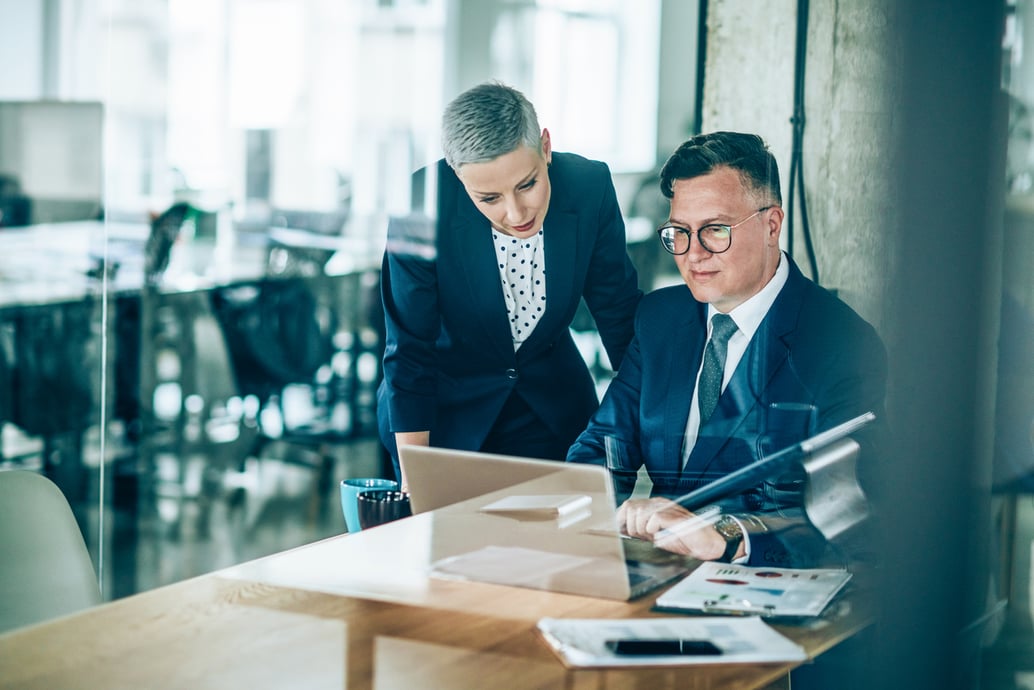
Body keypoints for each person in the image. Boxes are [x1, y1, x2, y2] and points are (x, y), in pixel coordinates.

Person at [567, 131, 887, 569]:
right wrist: (581, 507)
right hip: (665, 575)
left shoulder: (842, 345)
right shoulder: (660, 319)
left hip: (771, 584)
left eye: (715, 230)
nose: (693, 254)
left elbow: (849, 514)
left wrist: (727, 536)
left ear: (771, 225)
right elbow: (606, 447)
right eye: (679, 231)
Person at [378, 82, 642, 488]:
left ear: (546, 147)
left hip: (551, 407)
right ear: (457, 176)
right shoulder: (420, 204)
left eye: (527, 184)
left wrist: (659, 430)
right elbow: (410, 350)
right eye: (488, 198)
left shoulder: (589, 188)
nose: (515, 212)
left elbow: (620, 315)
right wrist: (418, 482)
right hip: (443, 414)